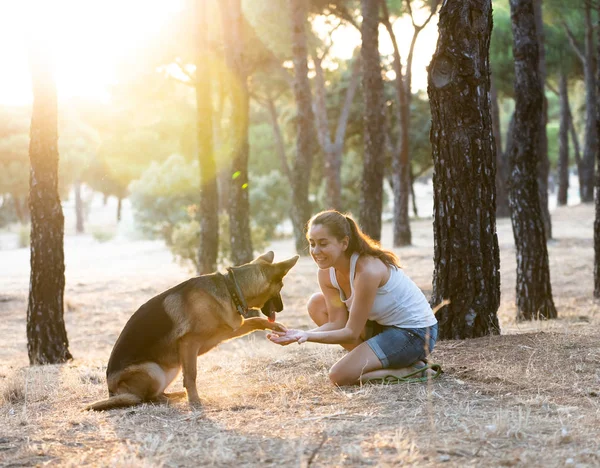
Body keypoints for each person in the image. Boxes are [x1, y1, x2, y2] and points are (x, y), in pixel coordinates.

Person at [267, 210, 441, 386]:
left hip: (415, 334)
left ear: (344, 243)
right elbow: (337, 322)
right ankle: (366, 362)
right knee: (317, 304)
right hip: (383, 327)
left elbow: (350, 333)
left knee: (339, 376)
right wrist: (298, 334)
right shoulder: (326, 273)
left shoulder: (367, 270)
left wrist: (306, 336)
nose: (316, 251)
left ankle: (411, 371)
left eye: (323, 243)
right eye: (312, 243)